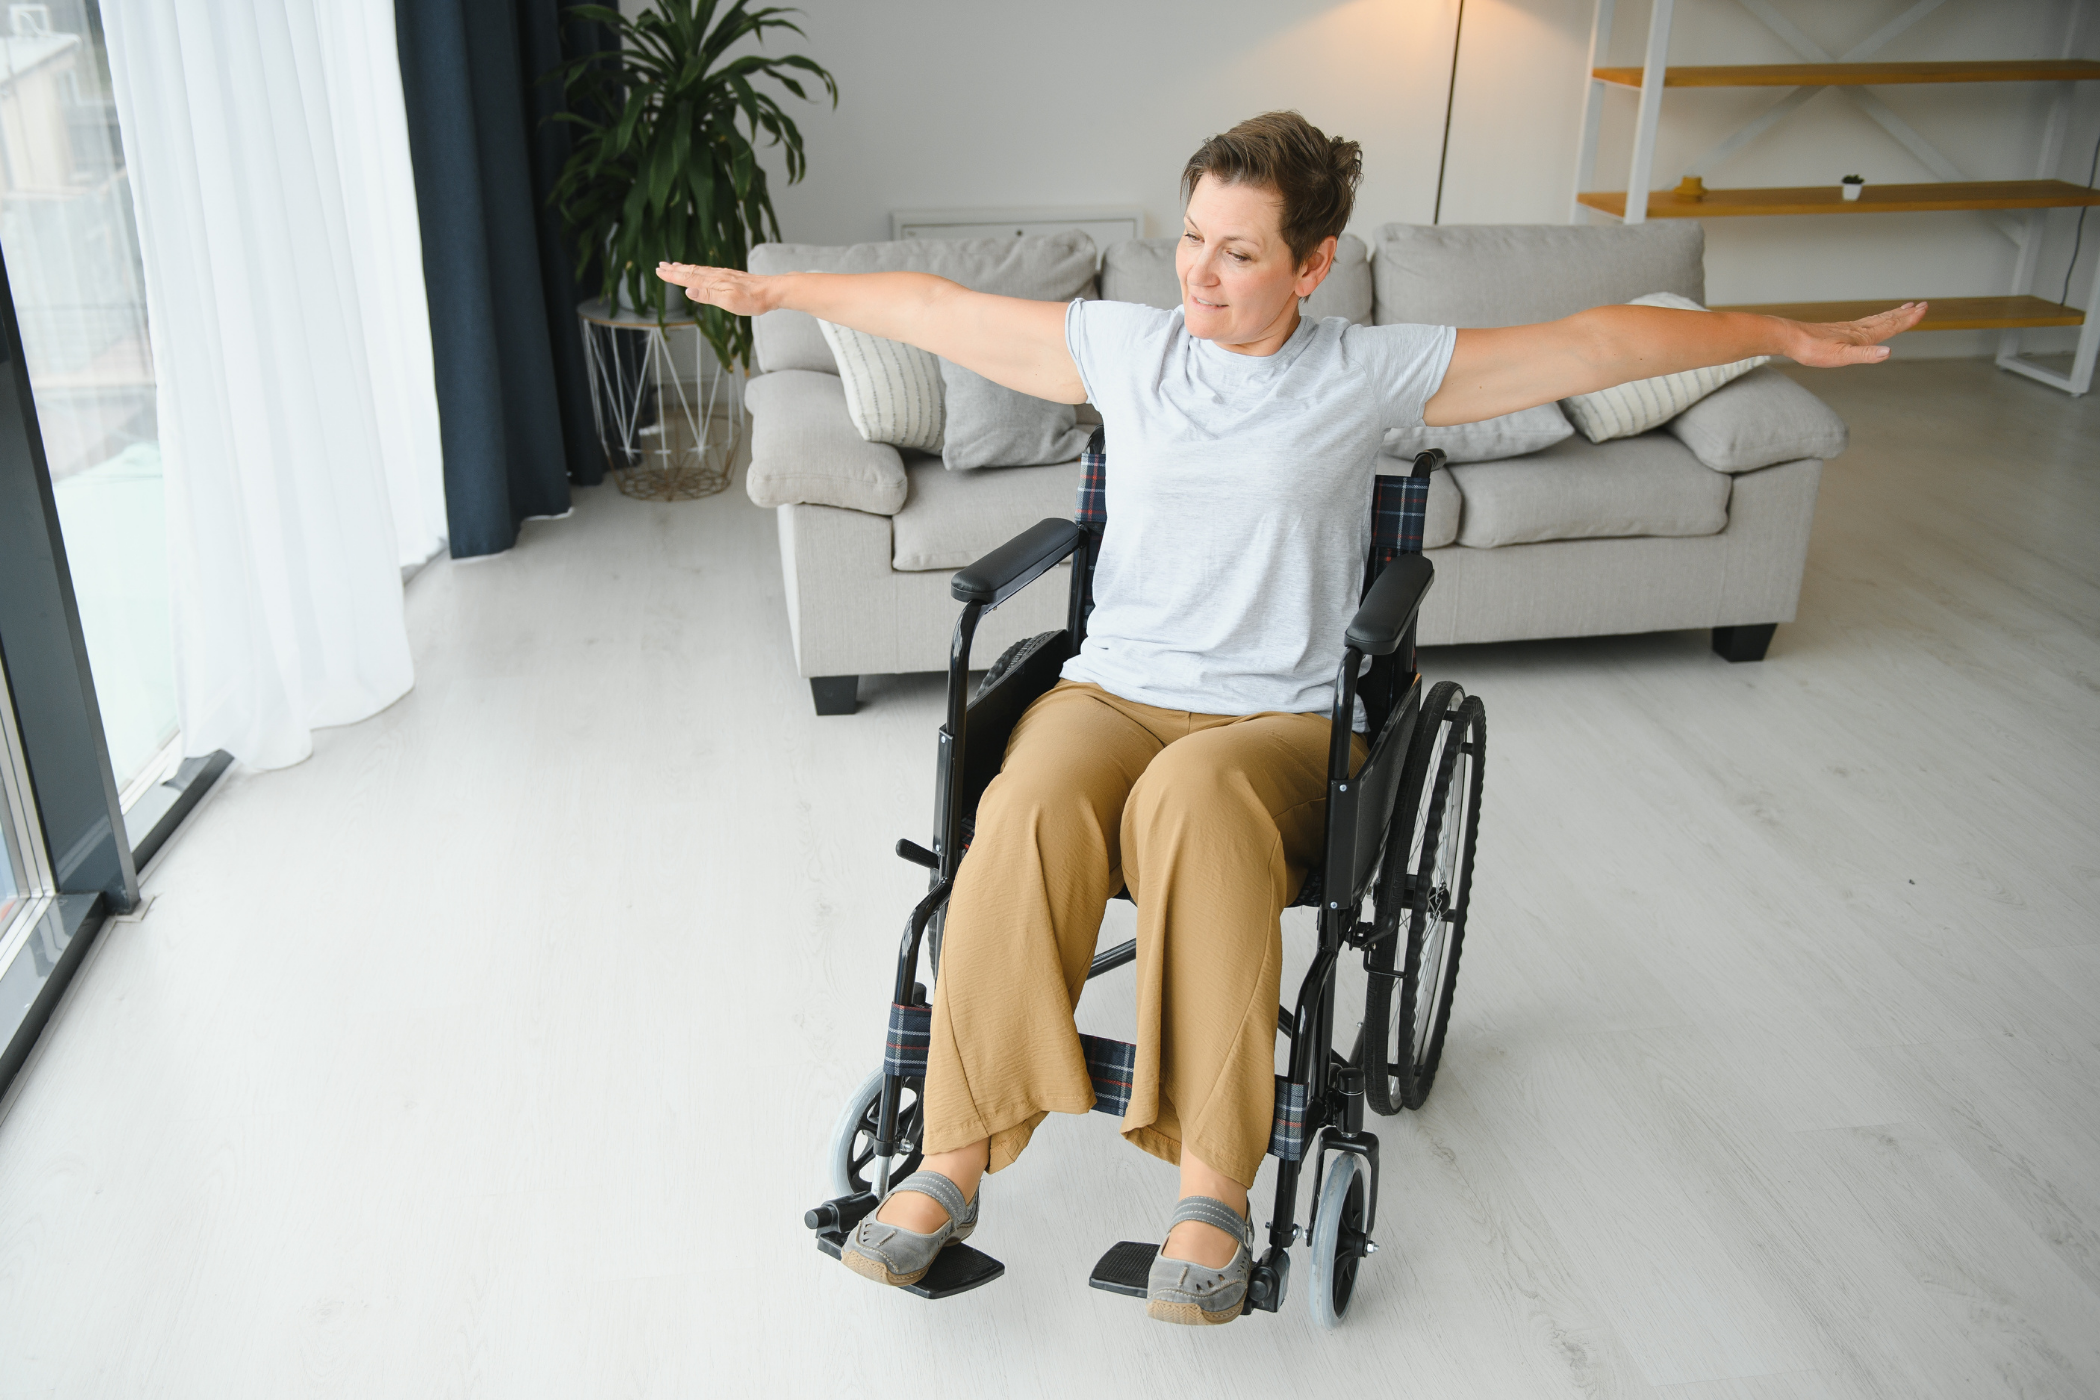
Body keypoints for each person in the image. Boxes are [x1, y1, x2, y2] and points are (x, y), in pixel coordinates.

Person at [660, 111, 1921, 1326]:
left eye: (1240, 249)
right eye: (1193, 238)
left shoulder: (1371, 372)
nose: (1200, 273)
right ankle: (952, 1155)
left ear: (1314, 266)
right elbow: (936, 309)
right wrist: (786, 296)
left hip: (1279, 724)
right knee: (1030, 794)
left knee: (1192, 800)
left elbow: (1595, 344)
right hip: (1115, 689)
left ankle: (1214, 1189)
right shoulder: (1128, 347)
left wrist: (1780, 337)